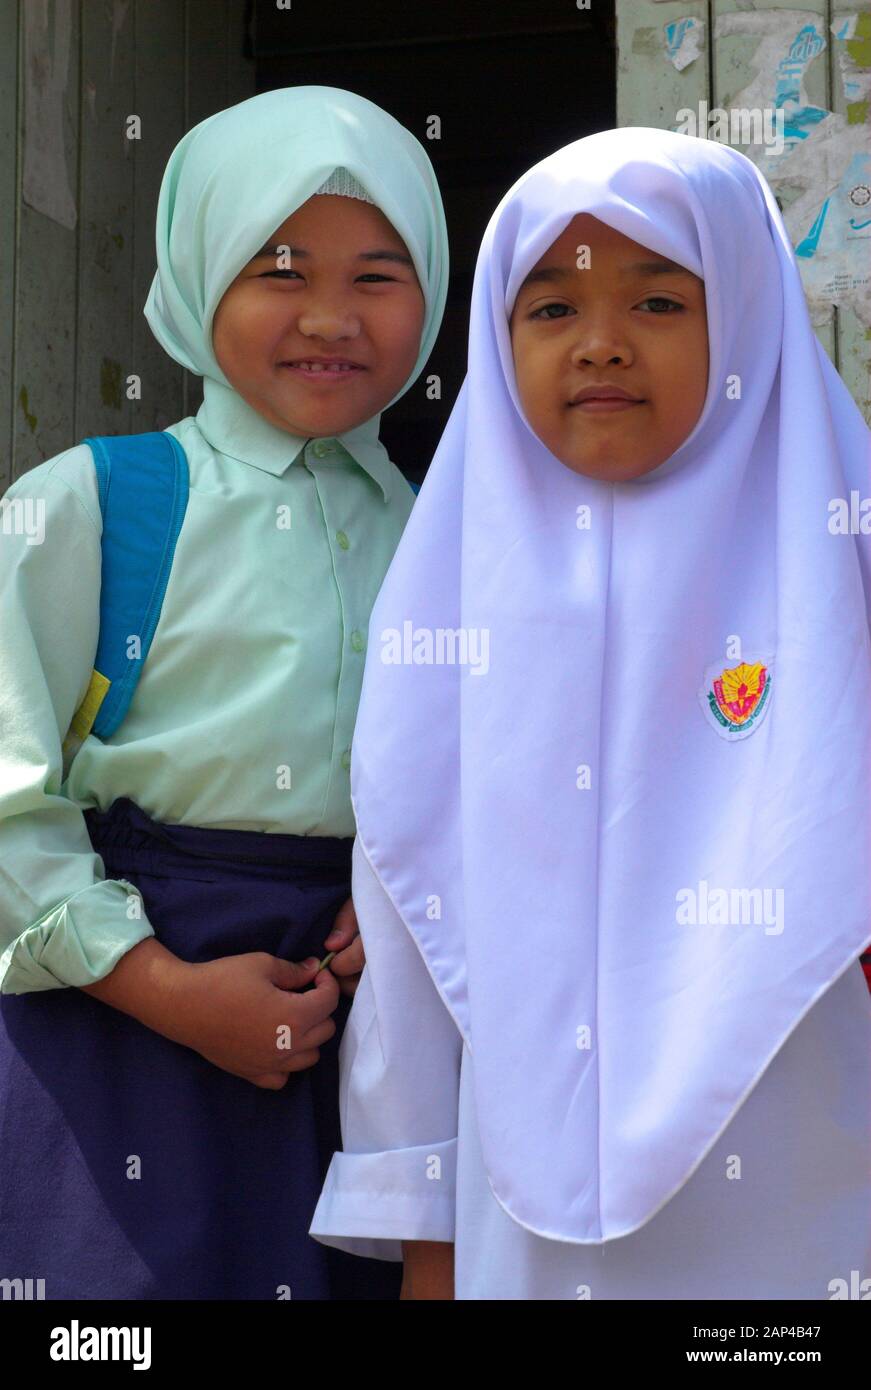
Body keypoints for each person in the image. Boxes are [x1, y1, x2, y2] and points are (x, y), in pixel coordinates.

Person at [309, 126, 871, 1300]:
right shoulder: (458, 584)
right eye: (550, 309)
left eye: (660, 301)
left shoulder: (841, 560)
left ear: (751, 318)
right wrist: (426, 1229)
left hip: (817, 1185)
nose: (602, 344)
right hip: (528, 1216)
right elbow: (411, 919)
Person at [0, 84, 448, 1300]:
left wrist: (413, 895)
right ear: (198, 275)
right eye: (279, 269)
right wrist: (162, 989)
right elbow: (8, 793)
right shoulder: (96, 502)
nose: (329, 318)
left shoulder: (452, 536)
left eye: (377, 275)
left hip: (357, 1032)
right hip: (118, 1017)